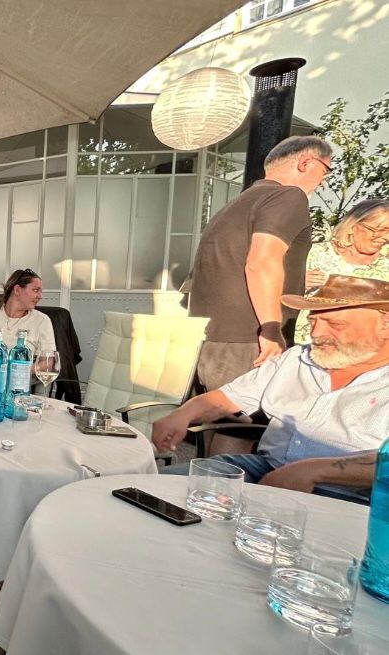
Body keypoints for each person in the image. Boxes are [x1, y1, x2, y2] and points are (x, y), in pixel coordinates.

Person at [153, 274, 389, 504]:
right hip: (261, 469)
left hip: (349, 495)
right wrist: (184, 414)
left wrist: (314, 471)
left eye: (335, 324)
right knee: (151, 488)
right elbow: (228, 398)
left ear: (385, 324)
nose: (316, 334)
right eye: (313, 322)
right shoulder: (296, 359)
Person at [187, 135, 333, 455]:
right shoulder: (288, 196)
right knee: (242, 430)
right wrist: (271, 327)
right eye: (326, 170)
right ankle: (219, 489)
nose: (323, 181)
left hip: (214, 337)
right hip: (249, 338)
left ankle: (203, 485)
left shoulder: (238, 203)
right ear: (305, 163)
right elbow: (261, 261)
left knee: (217, 425)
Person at [295, 199, 389, 343]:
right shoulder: (313, 253)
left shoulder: (385, 266)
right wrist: (296, 284)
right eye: (377, 230)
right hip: (311, 341)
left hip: (362, 346)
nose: (385, 237)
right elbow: (273, 290)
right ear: (353, 226)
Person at [0, 268, 57, 355]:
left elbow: (48, 360)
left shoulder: (42, 321)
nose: (40, 296)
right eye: (36, 290)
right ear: (17, 290)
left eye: (40, 292)